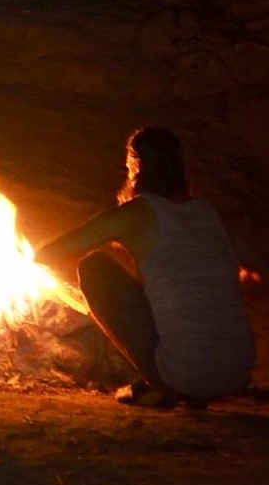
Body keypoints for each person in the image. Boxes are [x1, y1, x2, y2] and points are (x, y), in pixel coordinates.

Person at [34, 126, 257, 409]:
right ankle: (179, 374)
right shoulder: (210, 213)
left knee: (95, 268)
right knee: (154, 287)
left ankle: (157, 384)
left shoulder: (136, 213)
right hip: (238, 373)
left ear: (137, 164)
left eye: (129, 166)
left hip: (185, 378)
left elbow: (48, 254)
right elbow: (265, 271)